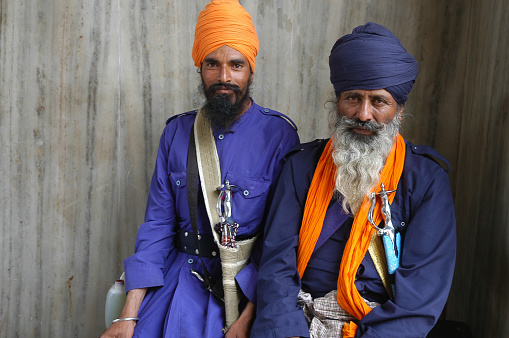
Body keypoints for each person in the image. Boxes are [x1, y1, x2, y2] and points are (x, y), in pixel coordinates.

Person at [101, 1, 299, 337]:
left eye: (236, 65)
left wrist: (247, 319)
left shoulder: (279, 134)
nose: (224, 77)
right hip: (177, 282)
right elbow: (158, 225)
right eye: (213, 64)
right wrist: (128, 315)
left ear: (251, 70)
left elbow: (280, 241)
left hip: (244, 292)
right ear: (200, 68)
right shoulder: (177, 132)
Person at [251, 22, 456, 338]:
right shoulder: (300, 167)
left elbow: (419, 297)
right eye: (353, 98)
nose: (363, 114)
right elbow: (276, 265)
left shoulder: (427, 181)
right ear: (338, 103)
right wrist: (289, 331)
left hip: (377, 326)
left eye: (378, 101)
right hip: (299, 318)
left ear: (399, 110)